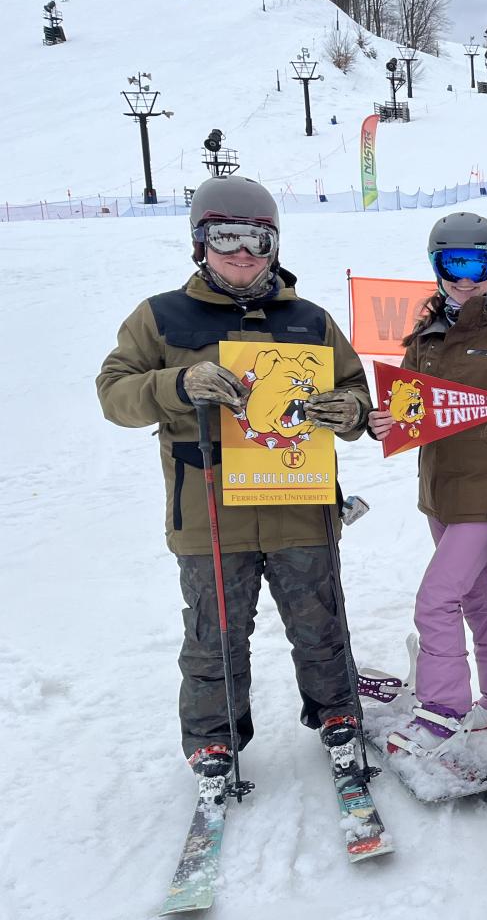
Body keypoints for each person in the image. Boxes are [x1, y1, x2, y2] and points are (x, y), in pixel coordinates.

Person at [96, 175, 373, 781]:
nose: (243, 252)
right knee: (213, 634)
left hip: (300, 504)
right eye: (227, 237)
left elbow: (354, 390)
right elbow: (114, 395)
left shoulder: (309, 319)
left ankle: (337, 713)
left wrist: (350, 410)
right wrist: (177, 384)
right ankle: (214, 738)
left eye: (258, 238)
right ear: (201, 241)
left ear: (274, 244)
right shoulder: (161, 318)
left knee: (321, 620)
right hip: (209, 512)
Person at [367, 213, 487, 756]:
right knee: (476, 595)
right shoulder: (426, 334)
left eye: (476, 264)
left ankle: (443, 709)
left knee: (436, 600)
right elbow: (408, 410)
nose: (464, 277)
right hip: (439, 490)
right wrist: (381, 420)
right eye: (451, 264)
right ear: (436, 268)